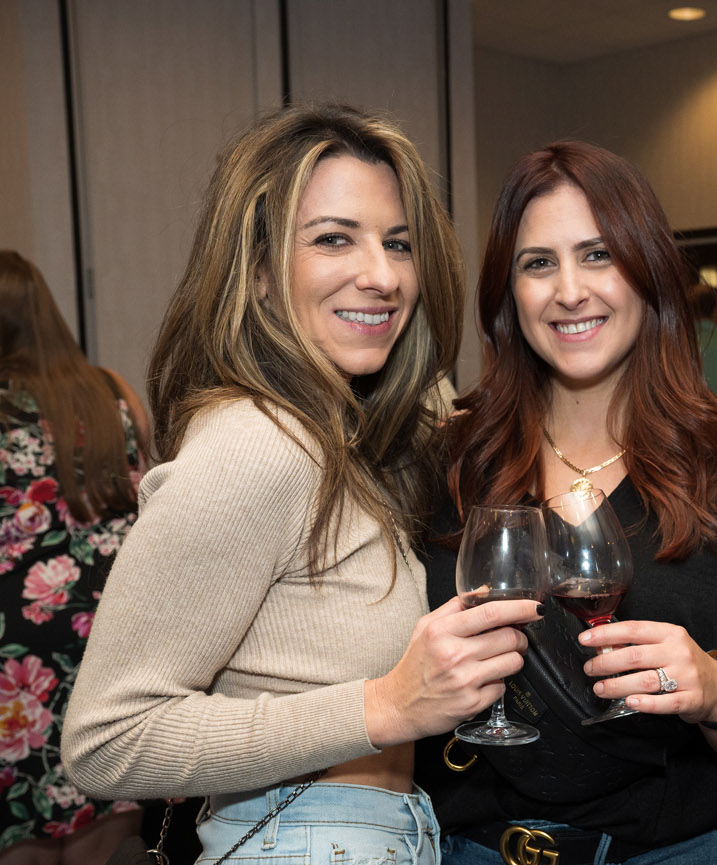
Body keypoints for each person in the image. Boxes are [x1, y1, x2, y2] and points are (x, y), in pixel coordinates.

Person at [62, 104, 543, 864]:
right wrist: (382, 704)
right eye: (332, 239)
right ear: (255, 273)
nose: (382, 276)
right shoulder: (260, 443)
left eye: (397, 243)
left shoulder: (348, 433)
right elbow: (106, 741)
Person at [416, 140, 717, 865]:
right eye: (539, 263)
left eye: (598, 254)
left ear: (649, 270)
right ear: (510, 291)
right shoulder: (448, 464)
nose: (570, 290)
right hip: (467, 848)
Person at [0, 251, 147, 864]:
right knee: (109, 834)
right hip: (103, 640)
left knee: (22, 839)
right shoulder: (111, 393)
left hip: (13, 657)